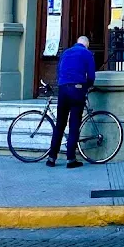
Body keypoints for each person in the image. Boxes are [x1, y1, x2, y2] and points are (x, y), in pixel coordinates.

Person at [47, 35, 96, 168]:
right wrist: (88, 86)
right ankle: (71, 159)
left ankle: (51, 158)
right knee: (74, 124)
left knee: (60, 124)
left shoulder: (66, 52)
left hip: (63, 89)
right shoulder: (87, 53)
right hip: (77, 89)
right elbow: (91, 75)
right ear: (86, 45)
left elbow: (58, 71)